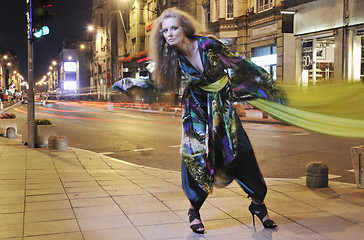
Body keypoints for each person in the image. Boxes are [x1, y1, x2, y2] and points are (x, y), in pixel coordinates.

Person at [150, 8, 279, 234]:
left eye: (174, 28)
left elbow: (238, 63)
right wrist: (130, 86)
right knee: (196, 155)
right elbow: (157, 84)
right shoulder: (171, 58)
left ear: (184, 28)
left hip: (222, 105)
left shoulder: (208, 44)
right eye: (165, 31)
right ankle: (194, 210)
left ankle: (258, 204)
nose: (169, 34)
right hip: (196, 108)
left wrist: (269, 88)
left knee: (240, 151)